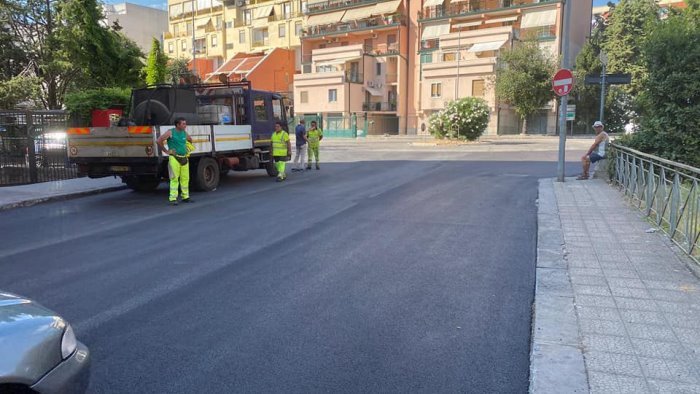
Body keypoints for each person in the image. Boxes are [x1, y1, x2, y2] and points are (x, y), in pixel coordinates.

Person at [156, 117, 194, 205]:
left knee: (185, 178)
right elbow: (159, 140)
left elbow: (190, 140)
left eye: (185, 123)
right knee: (174, 178)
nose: (185, 125)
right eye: (183, 124)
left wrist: (187, 148)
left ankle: (185, 197)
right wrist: (166, 151)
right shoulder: (171, 132)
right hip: (174, 158)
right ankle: (173, 198)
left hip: (184, 157)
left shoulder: (184, 133)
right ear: (178, 124)